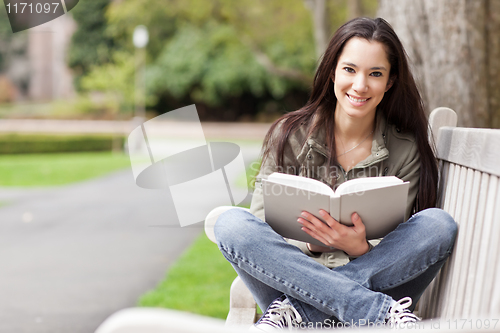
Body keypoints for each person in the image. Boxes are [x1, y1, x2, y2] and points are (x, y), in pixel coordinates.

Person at [214, 17, 457, 331]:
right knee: (231, 224)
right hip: (295, 282)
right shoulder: (290, 136)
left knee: (438, 224)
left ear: (390, 81)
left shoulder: (406, 148)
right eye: (350, 69)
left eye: (375, 74)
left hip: (366, 284)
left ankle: (297, 315)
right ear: (332, 71)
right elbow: (260, 228)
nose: (360, 85)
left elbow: (404, 246)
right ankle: (377, 312)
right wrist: (312, 245)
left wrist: (360, 249)